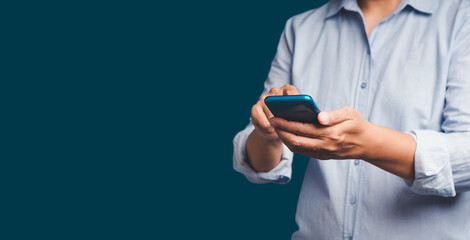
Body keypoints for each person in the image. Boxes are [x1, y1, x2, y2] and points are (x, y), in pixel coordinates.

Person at [233, 0, 470, 239]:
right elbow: (259, 165)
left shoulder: (461, 16)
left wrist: (368, 144)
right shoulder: (300, 29)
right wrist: (268, 133)